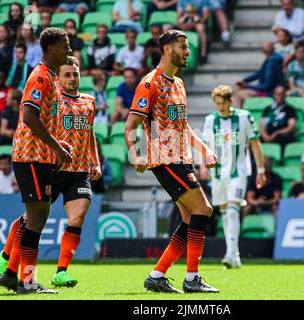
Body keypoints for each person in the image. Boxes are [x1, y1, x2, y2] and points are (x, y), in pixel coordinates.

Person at [125, 30, 220, 293]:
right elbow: (131, 124)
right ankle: (192, 279)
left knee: (191, 218)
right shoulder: (149, 83)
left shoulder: (178, 83)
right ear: (167, 49)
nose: (188, 51)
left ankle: (157, 275)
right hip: (165, 159)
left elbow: (183, 126)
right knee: (204, 209)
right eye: (183, 47)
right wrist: (137, 155)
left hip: (183, 158)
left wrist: (204, 150)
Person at [0, 56, 102, 290]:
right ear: (59, 77)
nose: (73, 79)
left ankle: (61, 272)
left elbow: (90, 133)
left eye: (75, 74)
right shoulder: (52, 100)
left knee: (78, 216)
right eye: (67, 74)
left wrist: (95, 161)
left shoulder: (89, 102)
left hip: (78, 169)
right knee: (31, 219)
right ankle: (8, 264)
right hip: (52, 168)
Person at [0, 27, 72, 295]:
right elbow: (29, 117)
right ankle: (26, 281)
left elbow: (44, 121)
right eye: (65, 45)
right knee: (38, 216)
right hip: (30, 155)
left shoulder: (51, 77)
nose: (70, 50)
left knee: (37, 214)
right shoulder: (40, 77)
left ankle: (12, 275)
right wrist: (56, 148)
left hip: (40, 157)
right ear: (50, 48)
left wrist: (56, 146)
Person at [200, 85, 266, 269]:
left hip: (238, 172)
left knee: (231, 210)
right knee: (225, 215)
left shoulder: (244, 117)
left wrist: (261, 171)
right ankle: (234, 255)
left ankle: (229, 254)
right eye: (217, 103)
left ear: (231, 101)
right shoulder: (209, 120)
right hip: (218, 174)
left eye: (223, 103)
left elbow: (255, 144)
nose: (220, 107)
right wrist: (203, 166)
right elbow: (205, 147)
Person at [235, 42, 284, 107]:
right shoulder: (271, 58)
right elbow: (260, 73)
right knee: (239, 88)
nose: (263, 50)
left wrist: (247, 85)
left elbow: (266, 86)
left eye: (264, 49)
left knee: (239, 94)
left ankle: (253, 108)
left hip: (271, 92)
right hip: (268, 90)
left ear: (273, 49)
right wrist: (245, 80)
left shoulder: (272, 61)